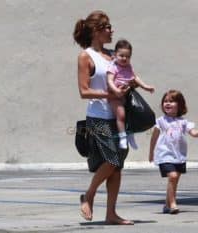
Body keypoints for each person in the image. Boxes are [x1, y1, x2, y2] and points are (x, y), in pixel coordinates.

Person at [73, 10, 134, 225]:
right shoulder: (86, 57)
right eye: (107, 27)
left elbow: (122, 78)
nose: (111, 31)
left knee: (117, 167)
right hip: (97, 117)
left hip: (117, 116)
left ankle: (111, 214)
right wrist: (110, 94)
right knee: (113, 159)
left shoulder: (113, 55)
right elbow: (84, 91)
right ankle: (89, 194)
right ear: (96, 31)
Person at [149, 90, 198, 214]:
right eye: (165, 101)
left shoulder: (184, 122)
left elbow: (194, 134)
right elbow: (154, 137)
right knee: (173, 176)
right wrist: (151, 153)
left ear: (180, 105)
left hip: (179, 156)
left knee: (173, 181)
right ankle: (173, 204)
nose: (167, 104)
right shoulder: (160, 121)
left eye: (171, 101)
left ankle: (167, 204)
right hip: (164, 155)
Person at [107, 39, 155, 149]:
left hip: (127, 95)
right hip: (115, 96)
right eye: (121, 55)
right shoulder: (113, 66)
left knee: (131, 115)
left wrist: (145, 86)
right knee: (121, 115)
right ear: (115, 55)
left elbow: (135, 78)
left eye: (127, 56)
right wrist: (116, 90)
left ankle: (130, 135)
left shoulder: (129, 67)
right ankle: (123, 137)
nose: (124, 58)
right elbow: (109, 80)